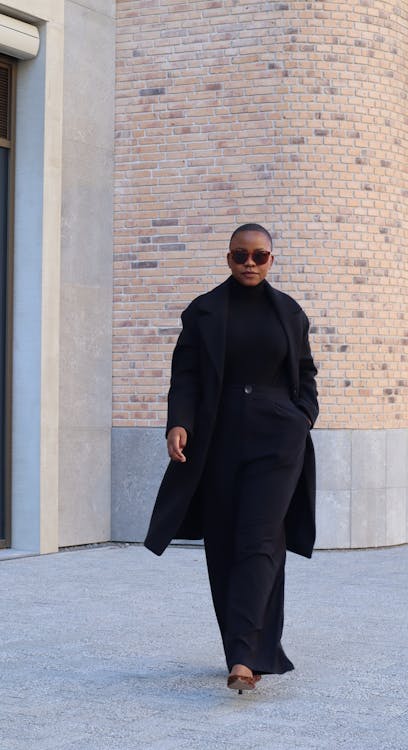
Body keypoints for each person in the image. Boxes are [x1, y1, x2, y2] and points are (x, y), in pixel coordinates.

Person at [144, 223, 319, 693]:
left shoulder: (289, 312)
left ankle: (245, 658)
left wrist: (302, 417)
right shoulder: (202, 311)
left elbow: (305, 373)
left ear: (270, 260)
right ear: (228, 258)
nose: (249, 262)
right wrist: (178, 423)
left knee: (260, 538)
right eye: (240, 254)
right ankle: (243, 649)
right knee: (223, 542)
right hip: (217, 440)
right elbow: (186, 376)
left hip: (278, 441)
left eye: (259, 256)